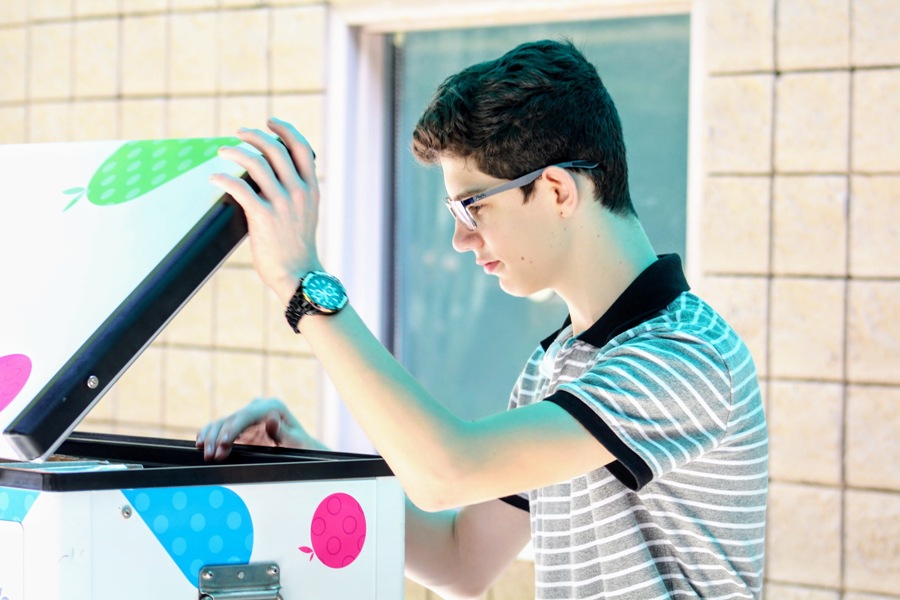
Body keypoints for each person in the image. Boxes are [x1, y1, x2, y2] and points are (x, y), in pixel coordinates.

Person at [196, 39, 767, 599]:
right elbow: (460, 559)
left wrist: (302, 282)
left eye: (472, 206)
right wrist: (304, 462)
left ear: (557, 190)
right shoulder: (555, 366)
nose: (460, 239)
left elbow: (446, 472)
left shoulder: (685, 357)